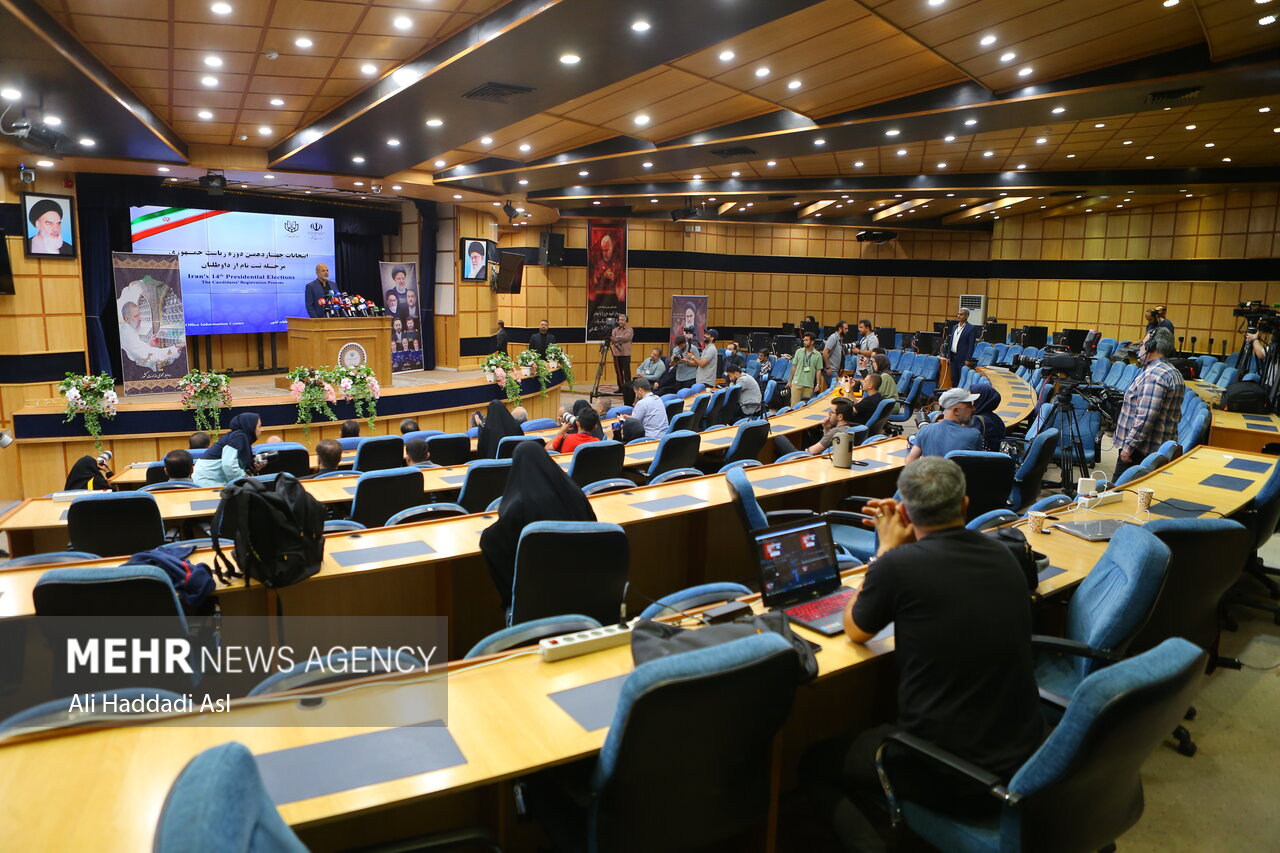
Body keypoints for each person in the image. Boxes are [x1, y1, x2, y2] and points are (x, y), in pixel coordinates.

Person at [803, 456, 1043, 852]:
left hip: (952, 773)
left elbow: (856, 629)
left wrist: (885, 550)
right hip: (1025, 756)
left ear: (907, 512)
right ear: (965, 506)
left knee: (815, 763)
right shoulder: (1001, 553)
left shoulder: (897, 566)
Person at [480, 441, 597, 610]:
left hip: (535, 603)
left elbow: (492, 542)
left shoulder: (517, 507)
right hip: (586, 594)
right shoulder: (575, 494)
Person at [1114, 327, 1184, 480]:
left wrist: (1128, 448)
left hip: (1140, 452)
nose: (1140, 347)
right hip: (1154, 451)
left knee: (1116, 494)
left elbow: (1145, 417)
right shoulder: (1172, 371)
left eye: (1143, 343)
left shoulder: (1154, 375)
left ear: (1151, 347)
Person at [907, 387, 984, 462]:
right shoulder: (974, 435)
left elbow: (910, 461)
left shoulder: (924, 430)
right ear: (956, 411)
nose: (974, 409)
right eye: (969, 406)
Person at [193, 412, 263, 487]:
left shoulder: (239, 437)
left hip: (211, 479)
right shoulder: (239, 437)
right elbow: (228, 465)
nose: (262, 430)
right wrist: (244, 477)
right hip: (207, 480)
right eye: (259, 426)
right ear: (250, 426)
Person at [118, 301, 185, 369]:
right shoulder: (127, 333)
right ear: (126, 319)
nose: (140, 318)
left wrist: (149, 344)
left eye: (139, 315)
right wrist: (176, 348)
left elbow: (137, 353)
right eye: (136, 316)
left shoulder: (126, 329)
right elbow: (149, 355)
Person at [969, 382, 1006, 452]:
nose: (970, 402)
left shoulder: (978, 421)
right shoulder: (995, 417)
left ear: (981, 399)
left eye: (973, 398)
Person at [787, 332, 824, 403]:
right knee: (794, 407)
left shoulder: (818, 355)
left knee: (805, 407)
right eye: (804, 340)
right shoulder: (799, 352)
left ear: (812, 342)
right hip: (797, 383)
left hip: (809, 385)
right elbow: (794, 367)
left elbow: (818, 371)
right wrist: (790, 381)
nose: (804, 342)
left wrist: (818, 384)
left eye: (806, 340)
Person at [945, 308, 979, 384]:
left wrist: (968, 359)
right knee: (954, 378)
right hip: (953, 357)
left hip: (962, 358)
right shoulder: (954, 327)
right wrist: (948, 356)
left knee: (961, 379)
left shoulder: (971, 328)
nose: (958, 316)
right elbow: (951, 342)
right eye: (958, 314)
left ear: (967, 316)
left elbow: (971, 345)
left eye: (961, 314)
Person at [610, 313, 635, 399]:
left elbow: (626, 338)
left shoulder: (630, 329)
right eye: (619, 320)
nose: (620, 321)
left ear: (626, 321)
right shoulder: (615, 329)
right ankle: (620, 388)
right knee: (618, 372)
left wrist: (617, 338)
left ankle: (628, 388)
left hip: (625, 354)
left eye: (622, 320)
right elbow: (612, 339)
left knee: (626, 372)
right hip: (616, 354)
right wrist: (617, 338)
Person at [824, 321, 849, 388]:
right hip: (831, 370)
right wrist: (828, 367)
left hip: (835, 370)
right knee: (833, 390)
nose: (847, 330)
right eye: (845, 329)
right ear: (840, 329)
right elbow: (825, 352)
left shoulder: (839, 339)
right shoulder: (833, 338)